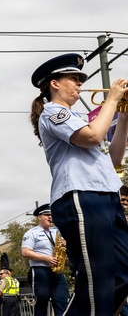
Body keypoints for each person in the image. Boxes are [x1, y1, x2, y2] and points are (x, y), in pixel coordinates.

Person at [30, 53, 128, 315]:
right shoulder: (52, 111)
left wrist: (124, 114)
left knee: (123, 275)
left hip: (106, 195)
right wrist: (112, 99)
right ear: (54, 84)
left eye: (80, 79)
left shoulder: (82, 118)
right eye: (73, 78)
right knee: (98, 280)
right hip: (81, 195)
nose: (79, 84)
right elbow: (94, 137)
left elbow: (115, 158)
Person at [21, 203, 69, 316]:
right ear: (39, 217)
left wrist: (66, 243)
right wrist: (46, 258)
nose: (50, 217)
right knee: (42, 301)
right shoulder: (32, 233)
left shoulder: (57, 231)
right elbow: (25, 252)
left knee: (62, 300)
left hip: (57, 271)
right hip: (40, 271)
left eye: (51, 215)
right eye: (47, 215)